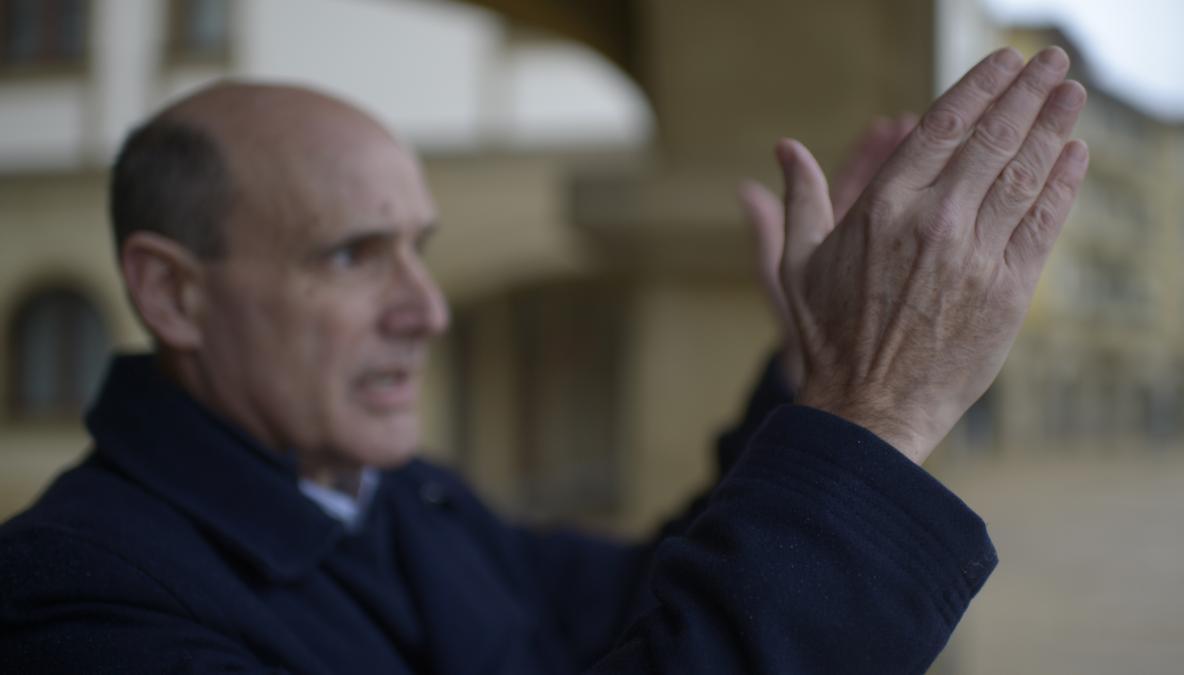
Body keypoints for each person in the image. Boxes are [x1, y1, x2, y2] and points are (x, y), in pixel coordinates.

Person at [0, 45, 1087, 674]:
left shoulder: (396, 497)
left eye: (419, 251)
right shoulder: (75, 596)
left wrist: (821, 383)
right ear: (173, 292)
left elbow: (665, 602)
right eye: (351, 256)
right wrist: (874, 417)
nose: (426, 310)